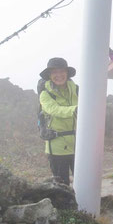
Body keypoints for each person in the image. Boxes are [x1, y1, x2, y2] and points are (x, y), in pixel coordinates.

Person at [39, 57, 78, 185]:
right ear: (49, 75)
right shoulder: (45, 94)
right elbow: (54, 110)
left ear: (67, 73)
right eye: (54, 72)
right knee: (62, 186)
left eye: (62, 71)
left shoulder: (76, 90)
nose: (59, 75)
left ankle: (84, 205)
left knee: (83, 181)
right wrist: (76, 110)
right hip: (56, 148)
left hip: (78, 145)